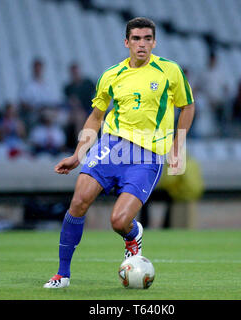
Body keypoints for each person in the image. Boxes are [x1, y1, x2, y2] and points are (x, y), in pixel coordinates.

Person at [43, 17, 195, 288]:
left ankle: (133, 233)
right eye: (136, 39)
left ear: (154, 42)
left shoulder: (169, 71)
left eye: (147, 38)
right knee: (78, 203)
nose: (142, 44)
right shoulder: (111, 75)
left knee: (119, 221)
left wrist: (177, 145)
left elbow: (188, 106)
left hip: (146, 156)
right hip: (111, 147)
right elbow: (95, 116)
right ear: (126, 42)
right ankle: (62, 275)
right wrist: (79, 153)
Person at [195, 53, 229, 136]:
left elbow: (225, 88)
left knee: (224, 110)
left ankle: (222, 131)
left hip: (217, 100)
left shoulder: (220, 73)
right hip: (206, 100)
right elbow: (198, 87)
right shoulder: (204, 73)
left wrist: (222, 98)